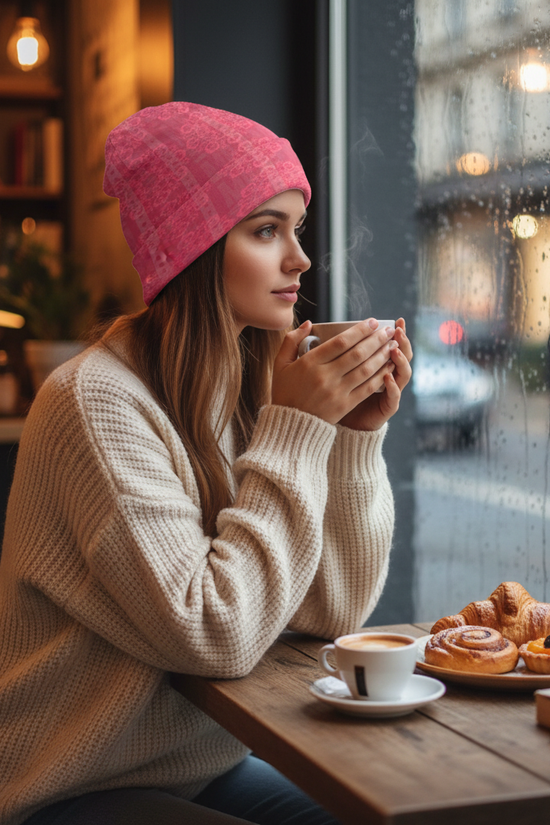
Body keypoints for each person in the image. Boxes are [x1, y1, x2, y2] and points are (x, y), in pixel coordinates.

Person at [0, 102, 412, 825]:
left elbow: (329, 609)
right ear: (191, 251)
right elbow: (215, 634)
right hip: (74, 783)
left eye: (298, 229)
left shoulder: (248, 386)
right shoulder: (95, 403)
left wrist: (349, 436)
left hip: (202, 765)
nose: (300, 259)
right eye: (265, 231)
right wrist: (295, 429)